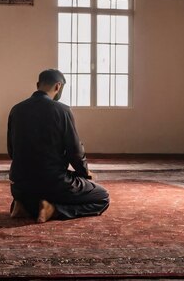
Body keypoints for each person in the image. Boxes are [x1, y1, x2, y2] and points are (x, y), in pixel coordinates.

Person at [7, 69, 110, 223]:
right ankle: (54, 209)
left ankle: (23, 205)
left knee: (50, 179)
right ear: (58, 87)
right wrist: (85, 173)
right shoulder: (62, 110)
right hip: (53, 183)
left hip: (19, 185)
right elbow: (74, 151)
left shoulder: (16, 110)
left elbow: (12, 151)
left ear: (37, 85)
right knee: (102, 197)